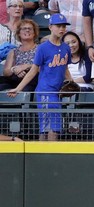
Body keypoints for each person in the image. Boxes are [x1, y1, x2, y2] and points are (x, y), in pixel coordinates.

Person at [7, 13, 73, 141]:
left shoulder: (66, 48)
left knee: (50, 128)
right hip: (45, 91)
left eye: (64, 26)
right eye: (58, 26)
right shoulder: (43, 48)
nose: (62, 29)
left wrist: (71, 81)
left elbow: (65, 68)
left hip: (57, 92)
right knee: (50, 128)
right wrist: (18, 88)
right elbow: (33, 71)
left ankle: (45, 157)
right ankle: (47, 158)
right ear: (50, 27)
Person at [0, 19, 39, 91]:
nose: (27, 30)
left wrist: (26, 66)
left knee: (26, 88)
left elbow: (45, 67)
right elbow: (6, 72)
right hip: (15, 79)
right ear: (19, 33)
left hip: (33, 81)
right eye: (24, 29)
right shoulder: (13, 51)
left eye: (30, 29)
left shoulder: (41, 49)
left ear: (34, 33)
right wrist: (15, 69)